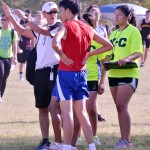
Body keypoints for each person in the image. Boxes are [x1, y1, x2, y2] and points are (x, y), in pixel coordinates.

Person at [52, 0, 113, 150]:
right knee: (82, 112)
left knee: (67, 113)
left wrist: (61, 54)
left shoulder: (66, 25)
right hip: (82, 74)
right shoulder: (88, 27)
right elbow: (109, 46)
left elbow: (54, 42)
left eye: (61, 11)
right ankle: (91, 146)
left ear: (67, 11)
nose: (60, 14)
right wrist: (90, 52)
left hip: (66, 73)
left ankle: (67, 147)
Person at [2, 2, 62, 150]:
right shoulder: (39, 29)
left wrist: (23, 17)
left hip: (54, 70)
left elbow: (44, 31)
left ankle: (60, 143)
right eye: (50, 12)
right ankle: (45, 140)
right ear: (44, 13)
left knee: (54, 109)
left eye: (55, 11)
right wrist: (11, 17)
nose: (53, 14)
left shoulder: (59, 25)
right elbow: (22, 31)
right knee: (42, 108)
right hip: (40, 71)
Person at [108, 5, 143, 149]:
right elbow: (109, 53)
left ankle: (127, 141)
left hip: (128, 73)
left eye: (119, 15)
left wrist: (127, 59)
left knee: (122, 105)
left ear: (128, 17)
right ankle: (123, 139)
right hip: (113, 73)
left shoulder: (134, 31)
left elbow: (138, 52)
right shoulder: (114, 33)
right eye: (115, 14)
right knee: (118, 107)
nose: (116, 17)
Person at [81, 11, 107, 146]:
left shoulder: (96, 39)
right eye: (81, 22)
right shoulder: (76, 37)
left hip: (91, 76)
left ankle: (94, 135)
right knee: (78, 109)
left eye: (85, 22)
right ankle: (79, 135)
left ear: (91, 25)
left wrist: (102, 82)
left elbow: (104, 64)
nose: (82, 24)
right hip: (77, 76)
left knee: (91, 108)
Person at [86, 4, 107, 123]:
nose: (95, 14)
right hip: (87, 62)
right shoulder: (85, 25)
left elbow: (107, 44)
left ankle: (95, 112)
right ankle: (94, 111)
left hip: (97, 61)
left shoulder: (101, 29)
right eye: (93, 12)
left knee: (94, 90)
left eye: (97, 12)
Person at [0, 13, 18, 102]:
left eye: (4, 20)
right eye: (1, 20)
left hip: (9, 57)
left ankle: (1, 95)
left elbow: (14, 45)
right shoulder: (0, 30)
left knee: (5, 77)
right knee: (1, 73)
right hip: (0, 57)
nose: (2, 21)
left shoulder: (13, 32)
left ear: (9, 21)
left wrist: (15, 57)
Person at [17, 9, 34, 81]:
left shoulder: (32, 23)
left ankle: (29, 75)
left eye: (28, 14)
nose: (27, 16)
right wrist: (18, 45)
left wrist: (33, 47)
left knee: (30, 62)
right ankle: (21, 75)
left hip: (29, 45)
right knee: (22, 62)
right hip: (22, 44)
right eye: (26, 14)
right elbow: (19, 33)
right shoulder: (21, 22)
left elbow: (33, 36)